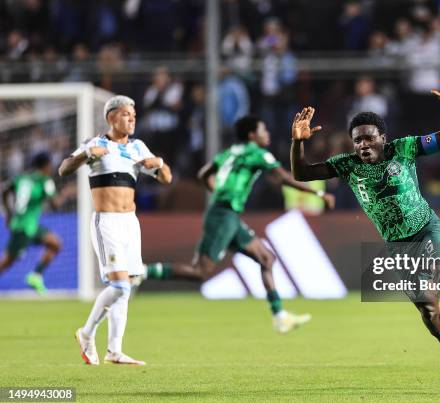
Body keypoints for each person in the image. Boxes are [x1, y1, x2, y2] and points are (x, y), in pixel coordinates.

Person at [290, 73, 440, 381]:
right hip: (399, 245)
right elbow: (302, 174)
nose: (363, 144)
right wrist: (297, 143)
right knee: (428, 311)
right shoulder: (347, 165)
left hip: (427, 227)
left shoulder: (405, 149)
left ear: (383, 138)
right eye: (357, 139)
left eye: (369, 137)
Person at [145, 115, 335, 334]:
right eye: (264, 130)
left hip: (228, 215)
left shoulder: (230, 152)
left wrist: (216, 190)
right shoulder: (257, 153)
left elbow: (203, 174)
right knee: (200, 271)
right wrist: (319, 193)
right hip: (222, 215)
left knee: (266, 258)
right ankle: (142, 272)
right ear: (253, 135)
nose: (268, 134)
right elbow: (282, 177)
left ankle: (280, 316)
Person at [58, 95, 172, 366]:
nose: (131, 119)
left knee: (127, 286)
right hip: (106, 222)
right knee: (119, 284)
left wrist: (159, 164)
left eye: (133, 115)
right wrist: (86, 155)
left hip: (130, 223)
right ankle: (86, 334)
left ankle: (114, 350)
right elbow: (64, 169)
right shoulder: (95, 144)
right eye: (126, 115)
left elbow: (167, 179)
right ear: (111, 118)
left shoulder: (138, 147)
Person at [0, 152, 74, 295]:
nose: (51, 168)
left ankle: (36, 275)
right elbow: (55, 205)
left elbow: (4, 190)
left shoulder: (22, 177)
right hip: (24, 228)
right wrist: (66, 193)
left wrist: (9, 214)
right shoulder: (45, 181)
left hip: (28, 226)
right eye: (50, 165)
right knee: (7, 261)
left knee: (55, 243)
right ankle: (36, 275)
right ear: (46, 166)